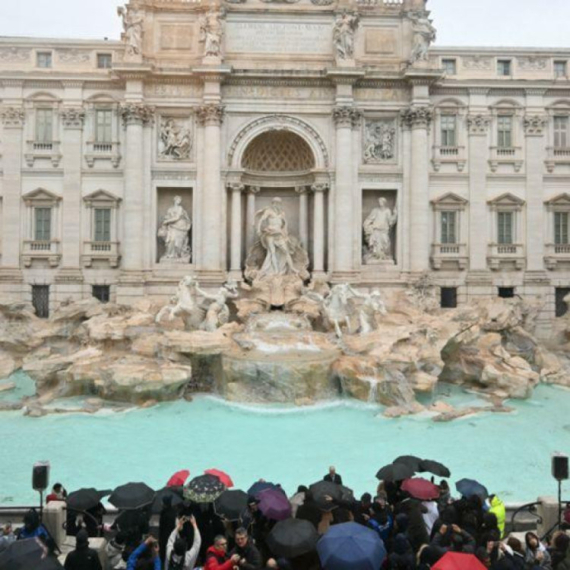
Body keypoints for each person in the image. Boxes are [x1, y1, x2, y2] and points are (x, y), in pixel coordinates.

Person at [363, 197, 397, 262]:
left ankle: (383, 255)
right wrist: (366, 224)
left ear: (384, 203)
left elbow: (390, 221)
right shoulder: (375, 210)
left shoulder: (387, 211)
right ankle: (376, 256)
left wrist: (395, 215)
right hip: (376, 229)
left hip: (384, 230)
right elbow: (370, 218)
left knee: (385, 241)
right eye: (379, 202)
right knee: (375, 243)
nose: (380, 203)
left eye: (381, 202)